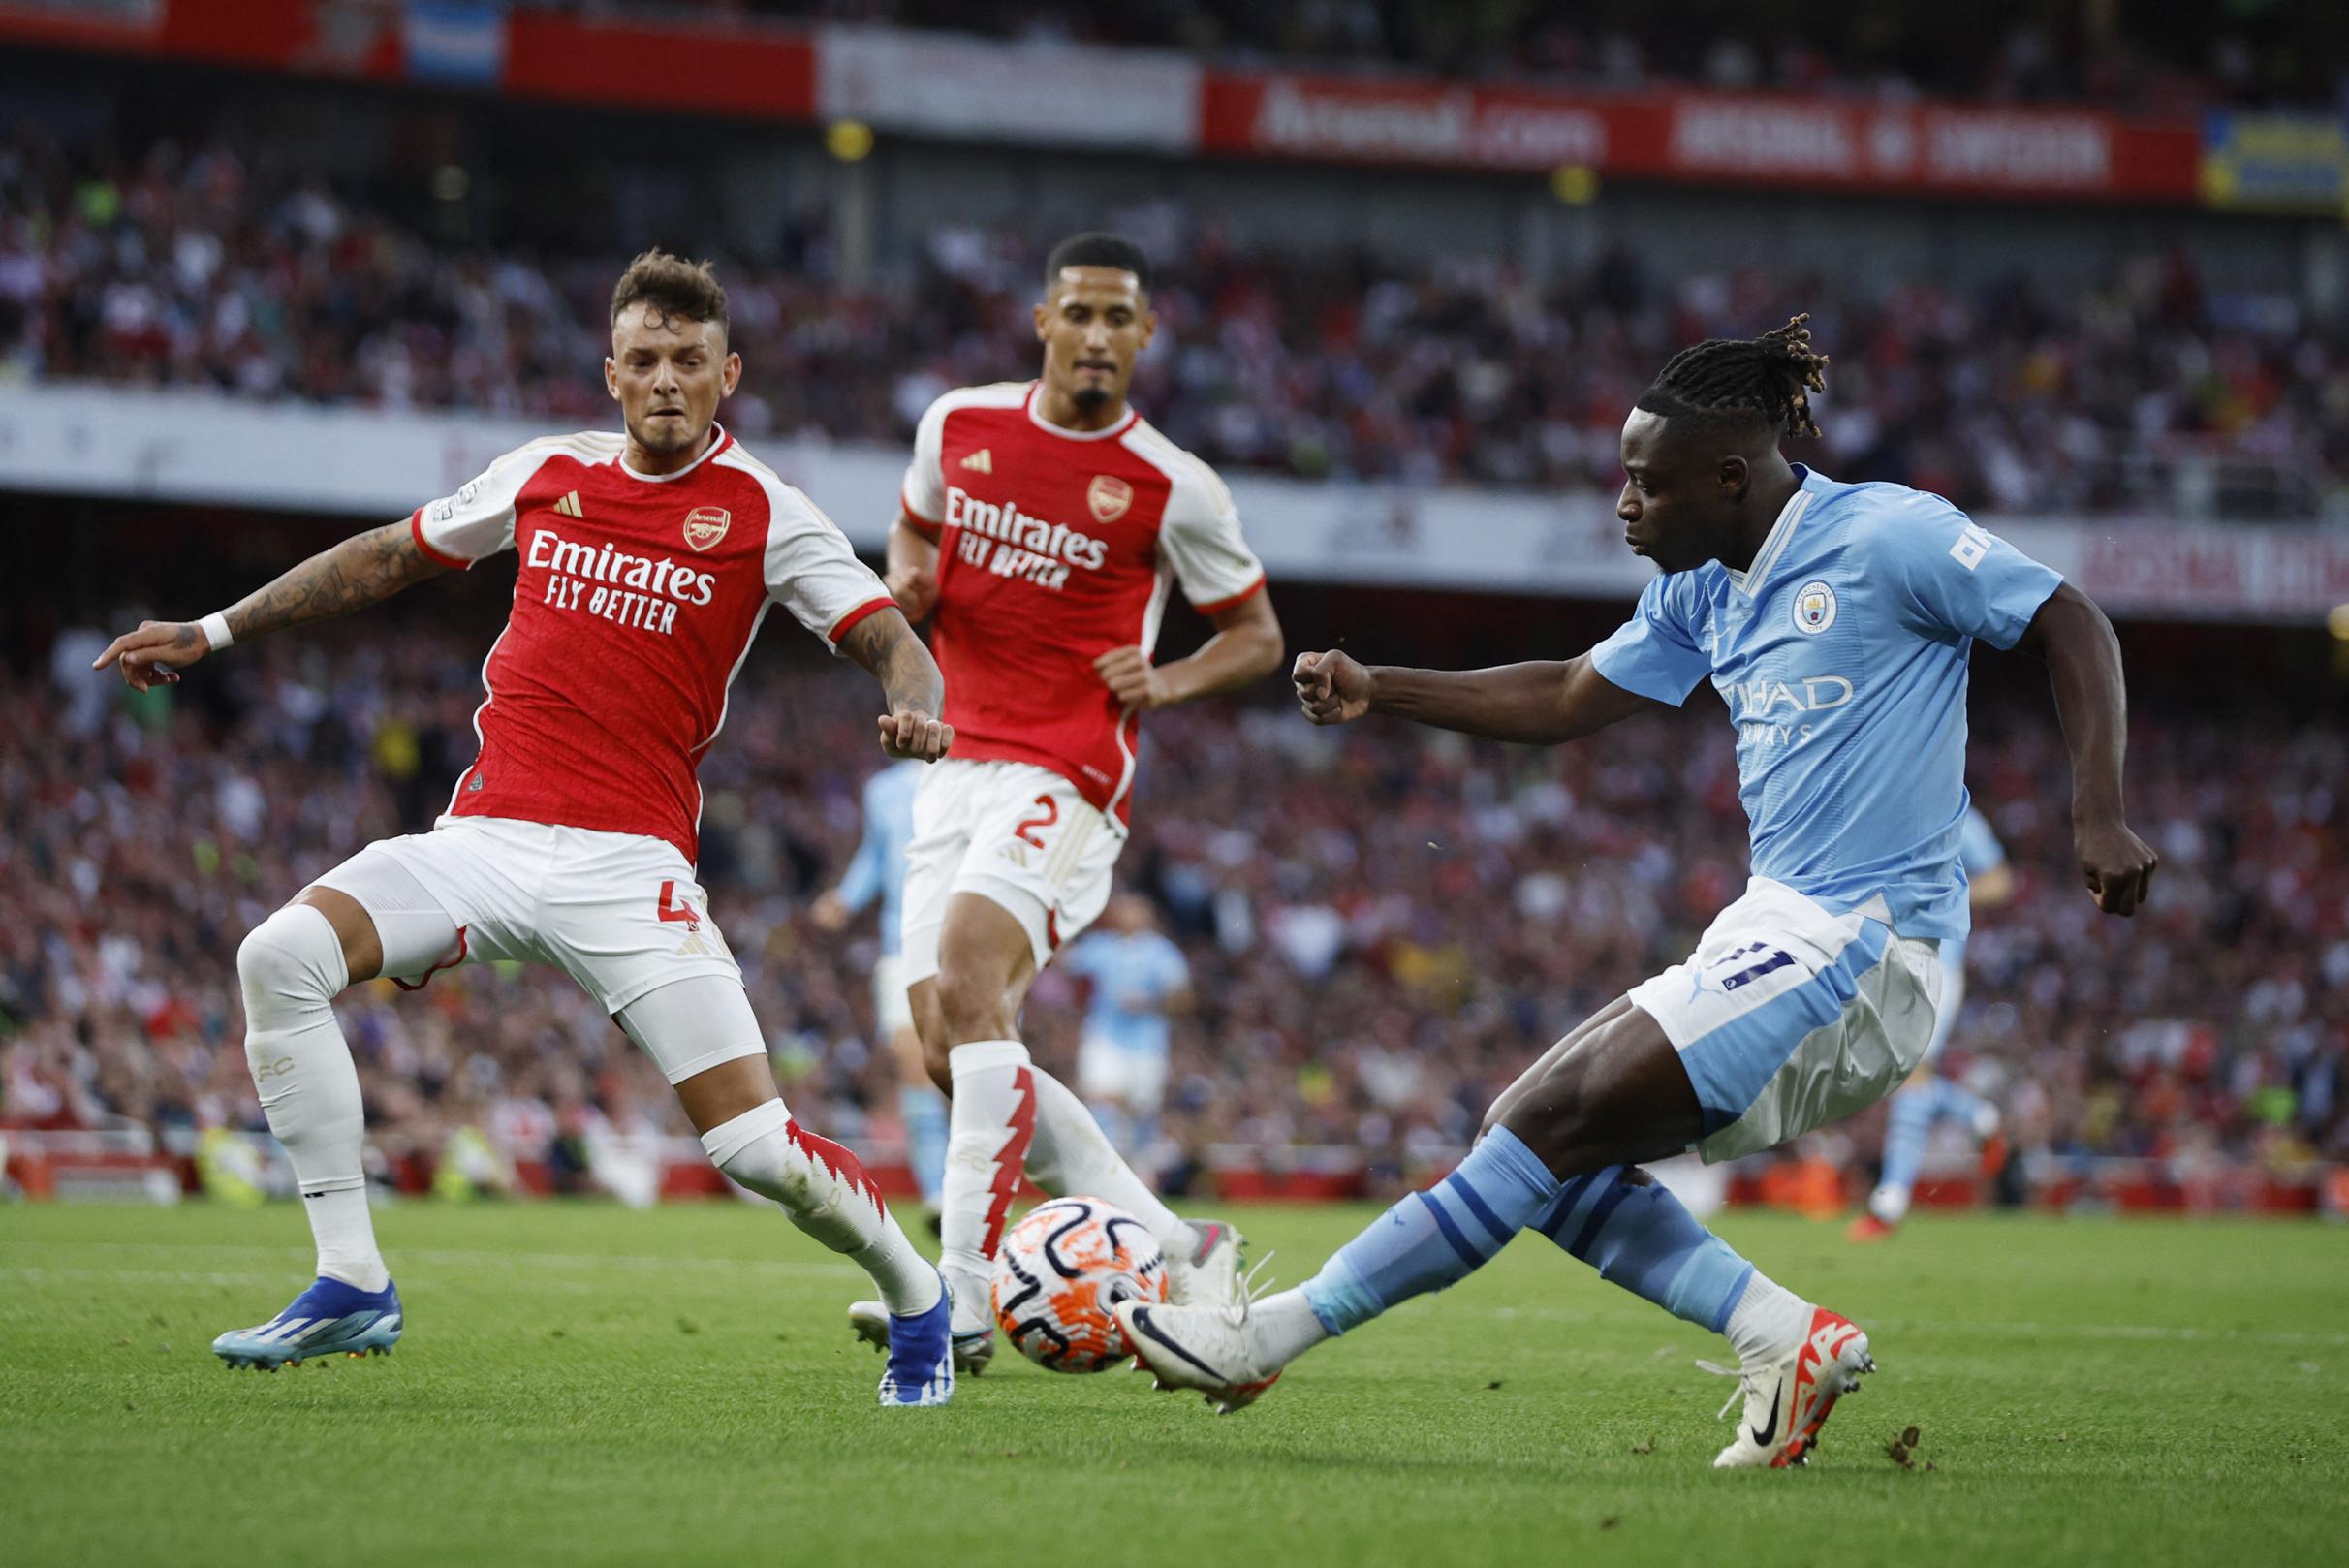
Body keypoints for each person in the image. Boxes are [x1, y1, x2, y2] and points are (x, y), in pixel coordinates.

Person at [1119, 316, 2157, 1468]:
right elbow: (1567, 693)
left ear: (1729, 476)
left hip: (1871, 940)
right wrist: (1381, 688)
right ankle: (1784, 1335)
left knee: (1539, 1128)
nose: (1623, 505)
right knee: (1534, 1143)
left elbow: (2070, 616)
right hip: (1779, 922)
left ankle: (1263, 1336)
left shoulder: (1887, 534)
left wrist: (2095, 809)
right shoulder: (1702, 591)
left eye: (1643, 483)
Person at [94, 250, 963, 1407]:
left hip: (630, 867)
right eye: (645, 359)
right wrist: (214, 629)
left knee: (755, 1150)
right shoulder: (548, 470)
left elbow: (887, 634)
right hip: (484, 840)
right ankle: (353, 1279)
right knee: (278, 956)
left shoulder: (766, 514)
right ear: (611, 372)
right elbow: (391, 555)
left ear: (728, 374)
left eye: (690, 362)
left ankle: (917, 1295)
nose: (666, 379)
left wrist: (919, 702)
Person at [847, 233, 1284, 1373]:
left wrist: (1171, 678)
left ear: (1144, 337)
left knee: (970, 982)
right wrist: (911, 580)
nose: (1096, 335)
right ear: (1043, 321)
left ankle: (958, 1292)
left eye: (1118, 318)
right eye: (1078, 313)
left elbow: (1258, 635)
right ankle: (1186, 1245)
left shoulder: (1172, 483)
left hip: (1069, 766)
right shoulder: (959, 425)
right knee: (945, 1046)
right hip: (950, 761)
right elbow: (914, 530)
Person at [1851, 804, 2016, 1239]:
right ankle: (1978, 1116)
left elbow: (2000, 882)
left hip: (1937, 966)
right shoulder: (1884, 806)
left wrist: (1941, 898)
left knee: (1911, 1078)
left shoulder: (1955, 815)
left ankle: (1889, 1203)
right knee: (1897, 1075)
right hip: (1886, 964)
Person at [811, 759, 946, 1211]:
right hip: (903, 942)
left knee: (972, 1070)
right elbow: (877, 852)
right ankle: (937, 1192)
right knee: (913, 1062)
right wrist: (846, 898)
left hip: (969, 944)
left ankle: (976, 1186)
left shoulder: (976, 771)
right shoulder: (882, 788)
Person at [1063, 894, 1193, 1163]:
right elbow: (1066, 963)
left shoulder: (1161, 952)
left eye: (1136, 910)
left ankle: (1140, 1167)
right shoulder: (1102, 947)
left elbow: (1184, 998)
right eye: (1125, 910)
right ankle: (1104, 1163)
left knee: (1141, 1110)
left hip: (1147, 1044)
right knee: (1102, 1097)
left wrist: (1150, 1003)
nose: (1130, 916)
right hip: (1105, 1037)